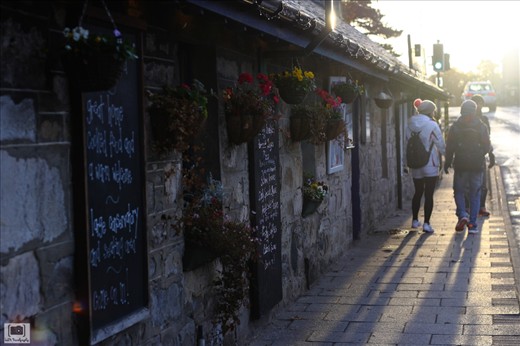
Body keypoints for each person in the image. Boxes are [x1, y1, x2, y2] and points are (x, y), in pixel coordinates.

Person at [444, 100, 491, 234]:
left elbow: (450, 147)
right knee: (475, 194)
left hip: (461, 164)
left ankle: (463, 215)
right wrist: (480, 154)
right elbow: (487, 146)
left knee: (459, 191)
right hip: (476, 165)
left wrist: (447, 163)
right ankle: (473, 224)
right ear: (474, 111)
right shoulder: (481, 126)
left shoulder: (455, 127)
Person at [405, 100, 446, 233]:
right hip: (430, 163)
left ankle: (415, 220)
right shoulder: (432, 125)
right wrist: (448, 158)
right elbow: (440, 143)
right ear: (430, 111)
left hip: (415, 163)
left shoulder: (409, 123)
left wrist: (404, 162)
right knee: (429, 194)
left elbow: (406, 143)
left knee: (417, 192)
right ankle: (427, 223)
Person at [470, 94, 495, 217]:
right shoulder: (465, 119)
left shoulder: (484, 119)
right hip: (467, 155)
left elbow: (487, 139)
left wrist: (491, 154)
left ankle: (481, 206)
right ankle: (469, 207)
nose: (479, 106)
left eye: (480, 104)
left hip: (480, 155)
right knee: (468, 183)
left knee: (483, 183)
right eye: (476, 104)